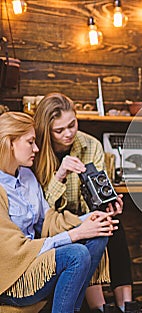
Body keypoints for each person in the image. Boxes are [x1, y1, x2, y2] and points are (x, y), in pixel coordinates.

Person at [0, 112, 118, 313]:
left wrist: (88, 219)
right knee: (76, 254)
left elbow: (47, 220)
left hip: (34, 262)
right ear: (10, 143)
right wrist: (76, 233)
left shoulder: (27, 176)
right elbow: (12, 251)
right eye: (30, 142)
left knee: (99, 235)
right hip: (13, 276)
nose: (36, 149)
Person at [33, 93, 133, 313]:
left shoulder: (90, 145)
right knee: (92, 233)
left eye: (72, 124)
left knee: (112, 225)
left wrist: (109, 204)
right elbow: (42, 210)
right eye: (59, 130)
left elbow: (99, 190)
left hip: (85, 214)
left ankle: (127, 306)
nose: (69, 133)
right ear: (46, 130)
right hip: (55, 222)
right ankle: (99, 307)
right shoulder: (36, 152)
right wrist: (59, 175)